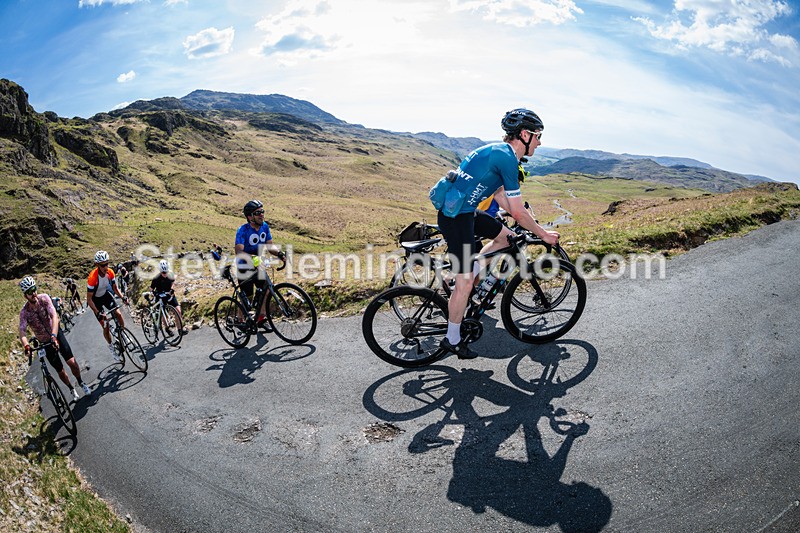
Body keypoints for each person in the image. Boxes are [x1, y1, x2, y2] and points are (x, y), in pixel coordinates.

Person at [432, 108, 559, 359]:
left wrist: (522, 221)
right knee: (465, 283)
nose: (540, 141)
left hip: (465, 213)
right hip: (455, 219)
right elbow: (517, 211)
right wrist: (542, 233)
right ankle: (452, 339)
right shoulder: (507, 158)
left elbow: (501, 197)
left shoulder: (498, 152)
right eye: (537, 135)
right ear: (524, 134)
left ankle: (467, 277)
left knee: (506, 237)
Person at [18, 276, 91, 400]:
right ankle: (71, 389)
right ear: (25, 295)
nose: (34, 294)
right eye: (30, 292)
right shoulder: (24, 312)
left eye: (34, 289)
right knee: (60, 371)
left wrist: (54, 335)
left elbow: (54, 316)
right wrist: (26, 345)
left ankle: (81, 382)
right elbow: (22, 331)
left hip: (56, 334)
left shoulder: (44, 298)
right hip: (44, 342)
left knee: (72, 362)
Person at [234, 200, 286, 327]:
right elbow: (239, 251)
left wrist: (280, 254)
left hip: (259, 265)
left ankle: (261, 317)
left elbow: (270, 246)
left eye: (262, 211)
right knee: (247, 296)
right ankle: (239, 319)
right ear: (250, 217)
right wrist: (253, 259)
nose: (261, 215)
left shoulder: (265, 227)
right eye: (258, 213)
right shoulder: (243, 230)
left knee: (267, 289)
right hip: (244, 266)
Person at [86, 250, 129, 361]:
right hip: (96, 301)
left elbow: (115, 288)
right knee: (106, 325)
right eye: (103, 265)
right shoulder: (92, 278)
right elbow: (89, 300)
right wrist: (97, 312)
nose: (106, 267)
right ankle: (111, 347)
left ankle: (123, 334)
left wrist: (123, 297)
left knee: (118, 313)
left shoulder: (110, 272)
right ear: (97, 265)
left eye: (107, 263)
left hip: (105, 295)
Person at [147, 259, 187, 334]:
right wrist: (153, 293)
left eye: (166, 272)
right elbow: (151, 288)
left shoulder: (170, 274)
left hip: (169, 295)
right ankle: (167, 328)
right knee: (163, 314)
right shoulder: (156, 278)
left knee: (178, 311)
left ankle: (180, 329)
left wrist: (172, 289)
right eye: (163, 272)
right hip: (160, 297)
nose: (165, 274)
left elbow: (173, 282)